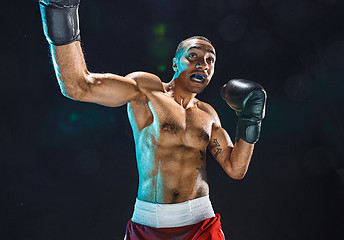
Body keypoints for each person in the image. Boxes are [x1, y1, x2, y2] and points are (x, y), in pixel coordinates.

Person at [38, 1, 267, 239]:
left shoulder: (208, 114)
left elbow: (236, 169)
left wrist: (250, 120)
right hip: (149, 223)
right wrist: (60, 10)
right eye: (193, 56)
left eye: (210, 60)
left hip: (201, 223)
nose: (203, 64)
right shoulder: (147, 91)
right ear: (175, 63)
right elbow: (78, 86)